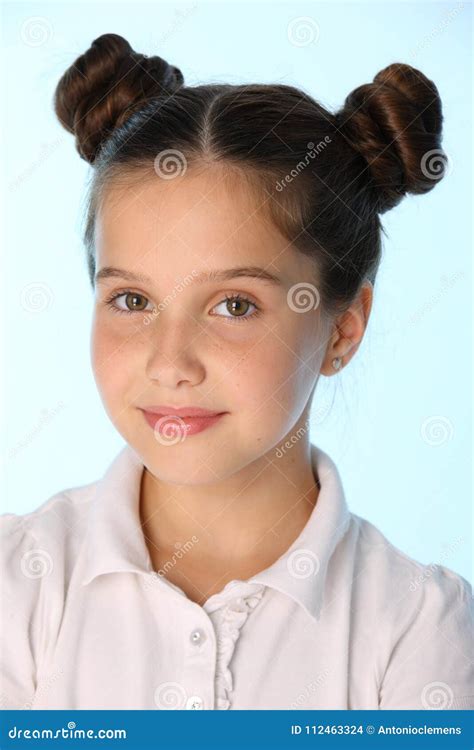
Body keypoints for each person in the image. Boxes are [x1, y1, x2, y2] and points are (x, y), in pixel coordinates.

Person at [1, 33, 472, 711]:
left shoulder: (416, 626)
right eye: (132, 300)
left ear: (343, 328)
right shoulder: (19, 584)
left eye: (234, 305)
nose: (170, 363)